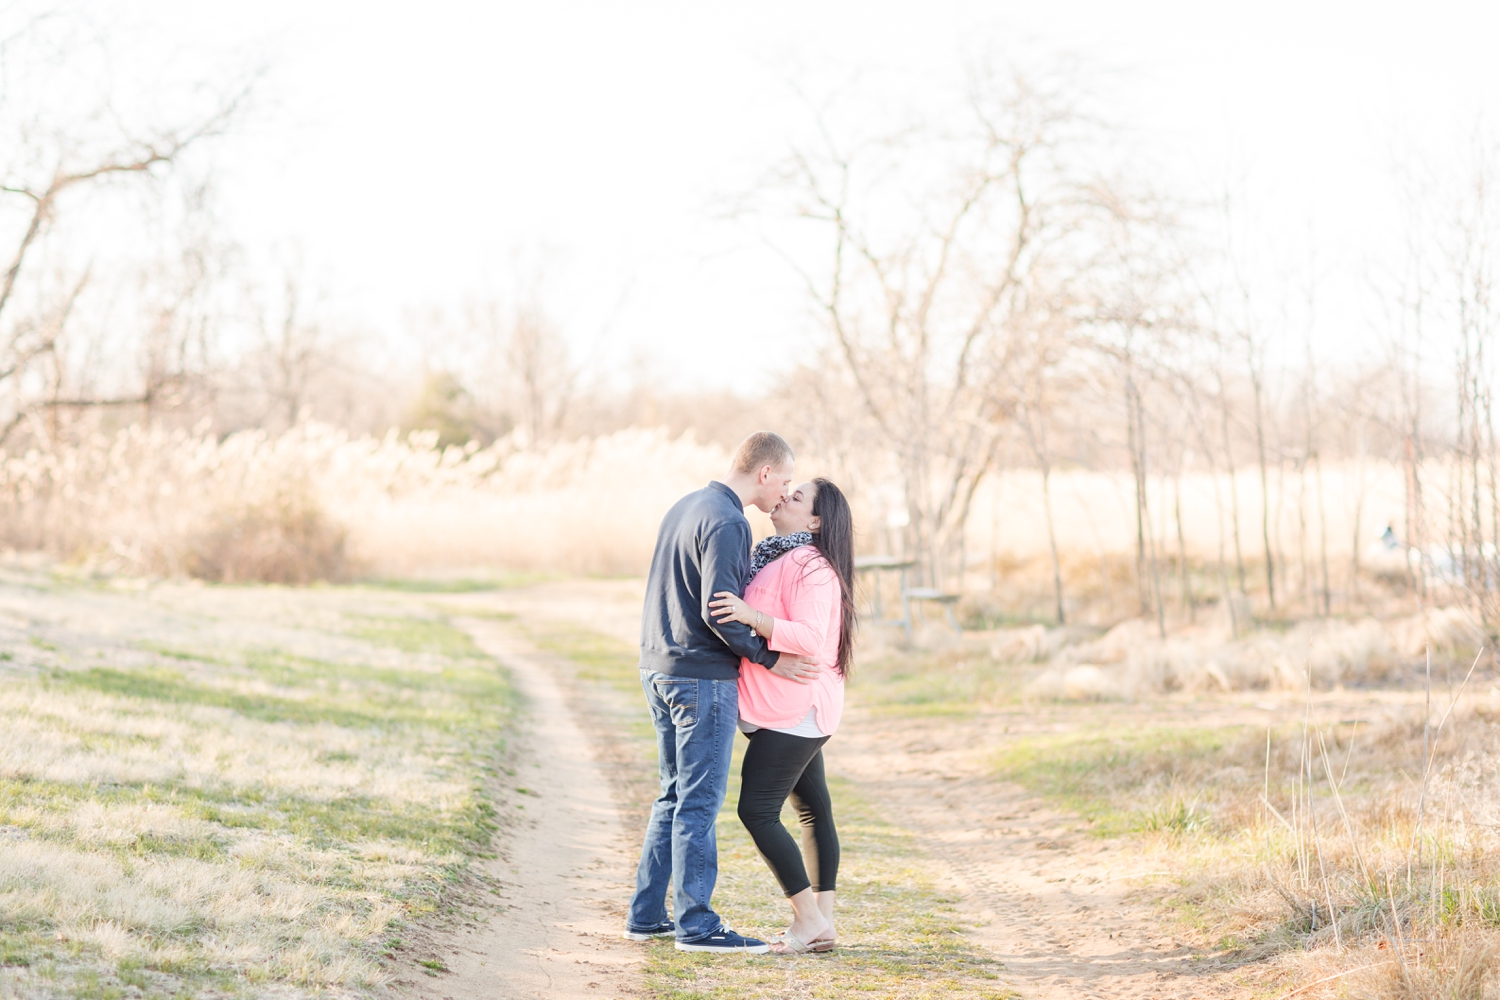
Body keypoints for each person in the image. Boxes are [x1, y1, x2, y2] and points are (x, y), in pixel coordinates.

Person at [624, 431, 820, 954]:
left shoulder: (687, 505)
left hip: (658, 667)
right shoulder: (730, 521)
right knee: (698, 802)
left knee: (672, 793)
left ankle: (646, 915)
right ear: (763, 473)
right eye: (784, 481)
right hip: (700, 677)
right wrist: (770, 658)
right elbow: (723, 611)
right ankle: (697, 925)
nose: (784, 493)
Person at [709, 477, 855, 955]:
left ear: (815, 520)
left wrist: (752, 617)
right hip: (787, 709)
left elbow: (812, 638)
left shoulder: (811, 565)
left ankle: (808, 919)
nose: (784, 499)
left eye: (797, 498)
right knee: (814, 808)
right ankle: (823, 924)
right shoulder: (779, 555)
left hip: (796, 710)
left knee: (756, 810)